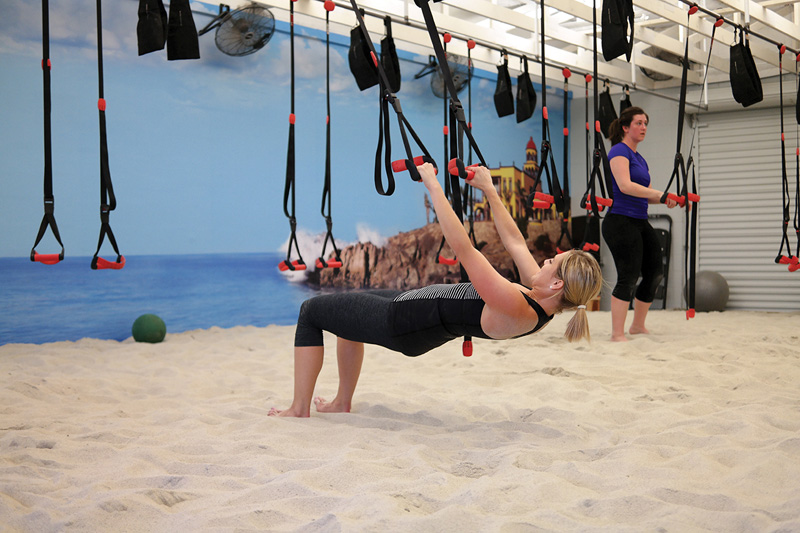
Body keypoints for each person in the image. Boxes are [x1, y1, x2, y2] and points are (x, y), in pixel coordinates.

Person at [269, 163, 602, 417]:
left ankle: (299, 409)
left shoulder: (517, 304)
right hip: (412, 309)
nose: (546, 260)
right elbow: (514, 241)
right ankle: (342, 401)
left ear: (557, 283)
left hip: (403, 322)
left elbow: (464, 248)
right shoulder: (540, 301)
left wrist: (433, 184)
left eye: (554, 262)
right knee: (346, 314)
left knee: (311, 313)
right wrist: (489, 190)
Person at [602, 106, 677, 342]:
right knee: (628, 275)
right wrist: (660, 194)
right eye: (639, 123)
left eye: (646, 123)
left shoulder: (640, 159)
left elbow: (646, 193)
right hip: (620, 221)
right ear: (626, 127)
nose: (644, 127)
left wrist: (668, 198)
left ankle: (637, 326)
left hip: (639, 221)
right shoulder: (618, 152)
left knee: (655, 271)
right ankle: (617, 334)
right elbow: (625, 186)